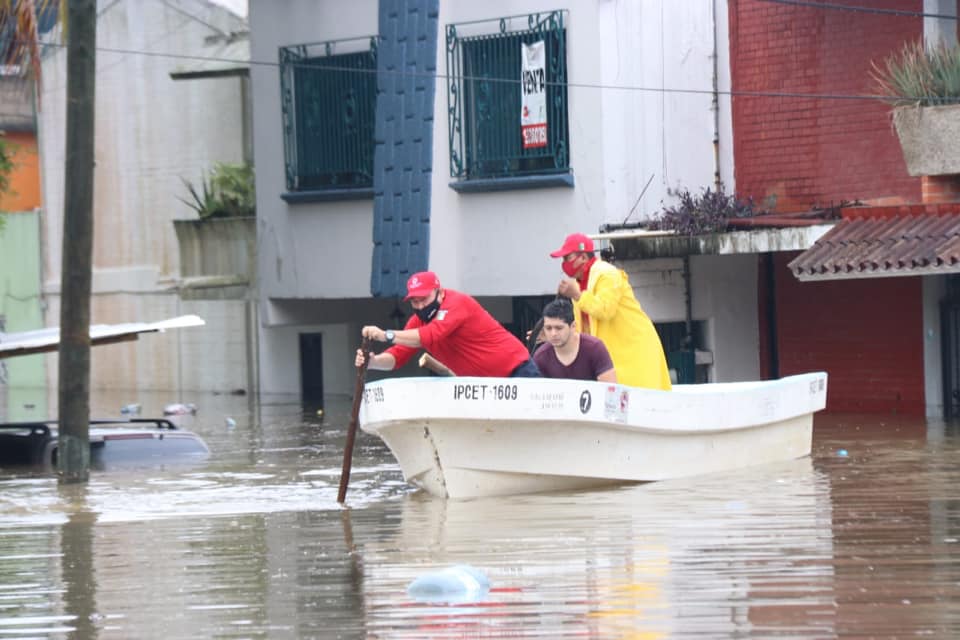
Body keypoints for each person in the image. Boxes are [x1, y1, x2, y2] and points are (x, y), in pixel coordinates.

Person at [356, 271, 541, 377]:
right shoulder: (417, 322)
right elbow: (397, 356)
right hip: (482, 387)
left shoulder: (457, 303)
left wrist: (384, 335)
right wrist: (372, 362)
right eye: (414, 301)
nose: (420, 305)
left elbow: (432, 334)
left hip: (518, 372)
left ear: (440, 293)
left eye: (424, 298)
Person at [550, 232, 672, 390]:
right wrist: (554, 335)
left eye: (568, 257)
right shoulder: (578, 285)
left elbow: (605, 309)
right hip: (614, 357)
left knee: (638, 402)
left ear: (583, 257)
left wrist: (577, 295)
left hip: (634, 351)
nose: (564, 263)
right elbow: (582, 329)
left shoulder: (606, 273)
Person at [533, 298, 617, 382]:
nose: (553, 333)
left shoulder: (595, 348)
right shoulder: (540, 356)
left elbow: (610, 390)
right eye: (548, 328)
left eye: (559, 328)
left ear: (573, 326)